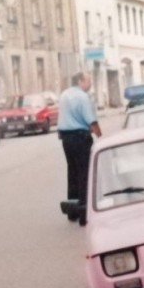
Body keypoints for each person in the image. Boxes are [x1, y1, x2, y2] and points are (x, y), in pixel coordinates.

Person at [57, 72, 102, 225]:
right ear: (81, 81)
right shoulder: (83, 97)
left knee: (72, 172)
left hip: (66, 139)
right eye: (89, 81)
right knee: (84, 174)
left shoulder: (63, 95)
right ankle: (84, 214)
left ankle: (72, 212)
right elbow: (92, 121)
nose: (90, 84)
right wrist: (101, 137)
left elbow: (61, 118)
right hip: (81, 137)